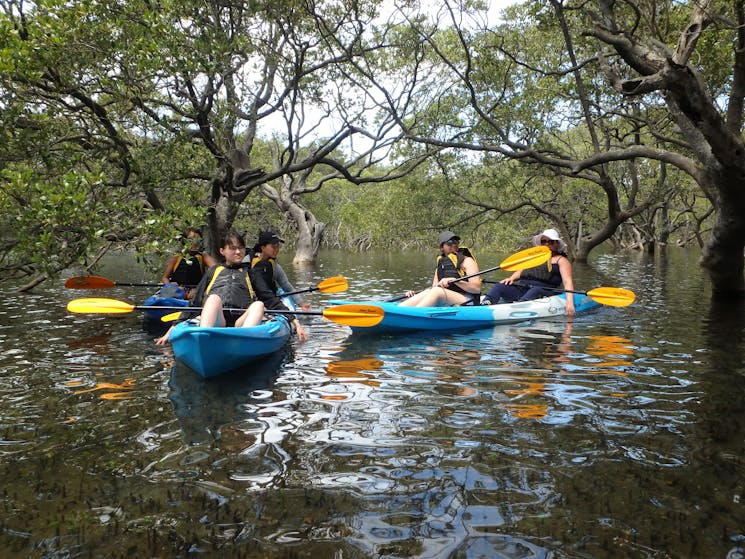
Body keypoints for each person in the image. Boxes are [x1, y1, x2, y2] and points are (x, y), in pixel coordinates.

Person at [155, 230, 265, 345]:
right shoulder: (214, 270)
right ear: (222, 251)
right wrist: (171, 330)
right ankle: (202, 340)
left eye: (241, 248)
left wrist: (284, 315)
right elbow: (195, 303)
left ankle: (242, 343)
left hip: (240, 322)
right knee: (213, 298)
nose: (238, 252)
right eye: (232, 248)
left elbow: (269, 297)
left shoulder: (251, 273)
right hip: (218, 319)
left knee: (259, 305)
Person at [481, 228, 575, 316]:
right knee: (500, 285)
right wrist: (511, 278)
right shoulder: (534, 258)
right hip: (523, 288)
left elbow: (568, 282)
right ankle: (485, 304)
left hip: (543, 291)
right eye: (543, 241)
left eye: (550, 242)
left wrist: (570, 302)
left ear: (556, 244)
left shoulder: (562, 261)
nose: (546, 244)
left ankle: (517, 307)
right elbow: (522, 270)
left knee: (536, 290)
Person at [248, 231, 309, 341]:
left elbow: (286, 285)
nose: (276, 249)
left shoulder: (274, 266)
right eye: (273, 246)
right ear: (263, 247)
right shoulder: (248, 262)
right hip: (254, 300)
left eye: (278, 246)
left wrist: (301, 303)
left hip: (270, 298)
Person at [399, 230, 481, 307]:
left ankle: (413, 315)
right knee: (429, 291)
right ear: (442, 247)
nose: (454, 245)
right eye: (449, 242)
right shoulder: (441, 263)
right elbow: (434, 287)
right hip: (448, 298)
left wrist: (455, 281)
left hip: (468, 299)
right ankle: (401, 309)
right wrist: (416, 295)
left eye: (456, 242)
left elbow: (476, 289)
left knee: (437, 292)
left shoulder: (467, 261)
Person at [160, 227, 217, 299]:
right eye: (191, 240)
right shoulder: (177, 256)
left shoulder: (203, 257)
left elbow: (218, 270)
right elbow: (165, 277)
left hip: (195, 292)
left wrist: (200, 289)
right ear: (185, 241)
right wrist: (171, 286)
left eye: (198, 240)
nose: (195, 243)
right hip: (176, 291)